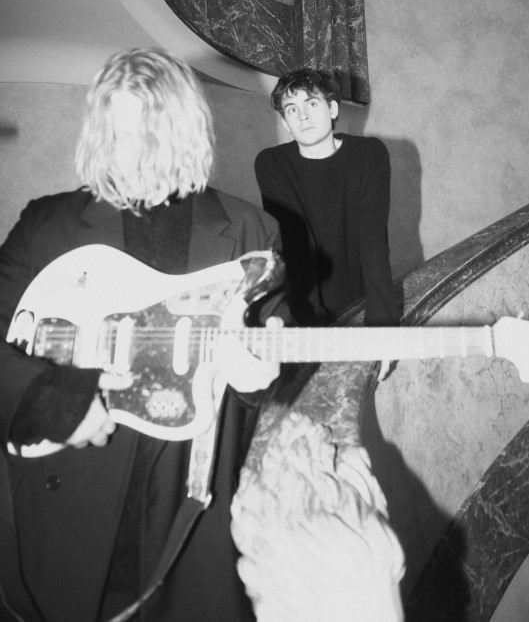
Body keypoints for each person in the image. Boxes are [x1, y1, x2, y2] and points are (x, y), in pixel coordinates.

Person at [0, 47, 285, 621]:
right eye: (118, 134)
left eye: (150, 133)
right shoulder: (44, 225)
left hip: (187, 511)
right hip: (66, 508)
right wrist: (55, 399)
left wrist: (263, 375)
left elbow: (279, 353)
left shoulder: (251, 230)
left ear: (187, 130)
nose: (130, 153)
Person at [254, 68, 400, 330]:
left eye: (311, 103)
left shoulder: (369, 155)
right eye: (291, 109)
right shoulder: (272, 164)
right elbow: (295, 248)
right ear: (285, 123)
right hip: (302, 307)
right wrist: (308, 328)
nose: (303, 115)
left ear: (332, 109)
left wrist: (382, 327)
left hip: (360, 300)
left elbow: (374, 245)